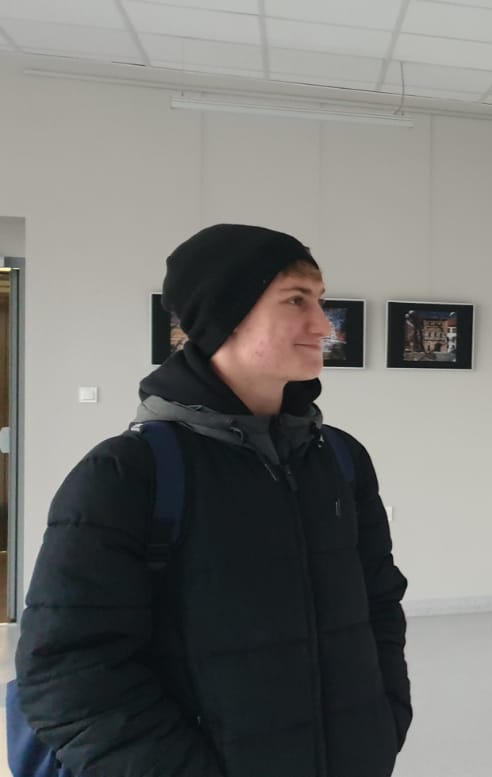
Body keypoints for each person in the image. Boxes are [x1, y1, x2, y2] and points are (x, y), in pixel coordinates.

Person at [15, 224, 412, 777]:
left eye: (320, 301)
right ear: (226, 314)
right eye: (296, 300)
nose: (324, 325)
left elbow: (379, 601)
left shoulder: (341, 459)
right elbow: (67, 671)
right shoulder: (128, 473)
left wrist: (383, 721)